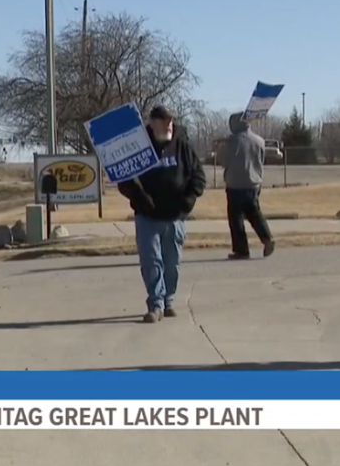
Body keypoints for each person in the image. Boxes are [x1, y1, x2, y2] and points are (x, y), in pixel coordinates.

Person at [118, 106, 207, 323]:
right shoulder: (138, 148)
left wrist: (188, 200)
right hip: (147, 216)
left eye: (170, 121)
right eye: (163, 121)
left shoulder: (183, 147)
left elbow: (199, 177)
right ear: (151, 123)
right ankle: (155, 304)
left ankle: (168, 300)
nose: (168, 125)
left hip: (175, 217)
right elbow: (124, 181)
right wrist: (140, 197)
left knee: (172, 262)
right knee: (151, 260)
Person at [223, 112, 275, 260]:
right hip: (253, 184)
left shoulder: (233, 141)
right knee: (255, 214)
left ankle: (241, 250)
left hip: (235, 185)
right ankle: (267, 239)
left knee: (236, 218)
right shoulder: (259, 141)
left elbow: (225, 160)